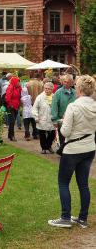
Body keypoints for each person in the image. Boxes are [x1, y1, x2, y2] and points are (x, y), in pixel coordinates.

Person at [48, 75, 96, 228]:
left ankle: (65, 217)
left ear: (79, 89)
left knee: (63, 182)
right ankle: (82, 218)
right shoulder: (94, 105)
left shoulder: (73, 106)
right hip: (89, 148)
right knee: (83, 184)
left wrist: (63, 123)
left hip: (73, 150)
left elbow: (65, 132)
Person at [51, 74, 76, 145]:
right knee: (62, 138)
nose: (65, 83)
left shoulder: (75, 92)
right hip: (61, 119)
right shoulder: (58, 92)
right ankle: (63, 153)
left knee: (71, 138)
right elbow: (54, 106)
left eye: (68, 82)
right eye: (64, 81)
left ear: (71, 83)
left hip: (73, 119)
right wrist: (55, 119)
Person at [32, 82, 55, 153]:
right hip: (42, 118)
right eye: (45, 88)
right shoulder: (39, 97)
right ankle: (44, 148)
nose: (47, 90)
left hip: (52, 118)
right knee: (42, 134)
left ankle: (48, 146)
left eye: (49, 89)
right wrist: (36, 117)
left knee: (52, 134)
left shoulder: (55, 97)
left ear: (52, 89)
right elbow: (34, 108)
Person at [5, 76, 22, 141]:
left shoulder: (18, 88)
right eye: (18, 81)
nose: (19, 83)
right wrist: (11, 105)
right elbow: (7, 98)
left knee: (13, 121)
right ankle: (12, 136)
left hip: (16, 106)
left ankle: (9, 135)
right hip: (11, 107)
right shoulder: (10, 87)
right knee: (12, 122)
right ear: (15, 82)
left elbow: (19, 96)